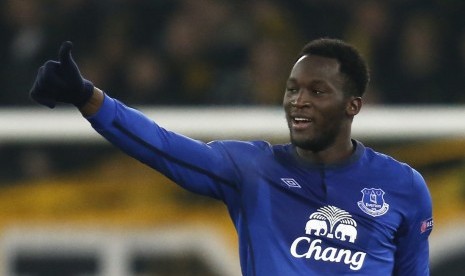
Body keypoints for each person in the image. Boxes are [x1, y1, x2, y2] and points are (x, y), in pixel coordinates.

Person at [29, 38, 433, 275]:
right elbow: (163, 146)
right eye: (293, 89)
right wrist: (88, 98)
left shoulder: (404, 187)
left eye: (317, 91)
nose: (299, 102)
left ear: (353, 106)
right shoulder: (252, 170)